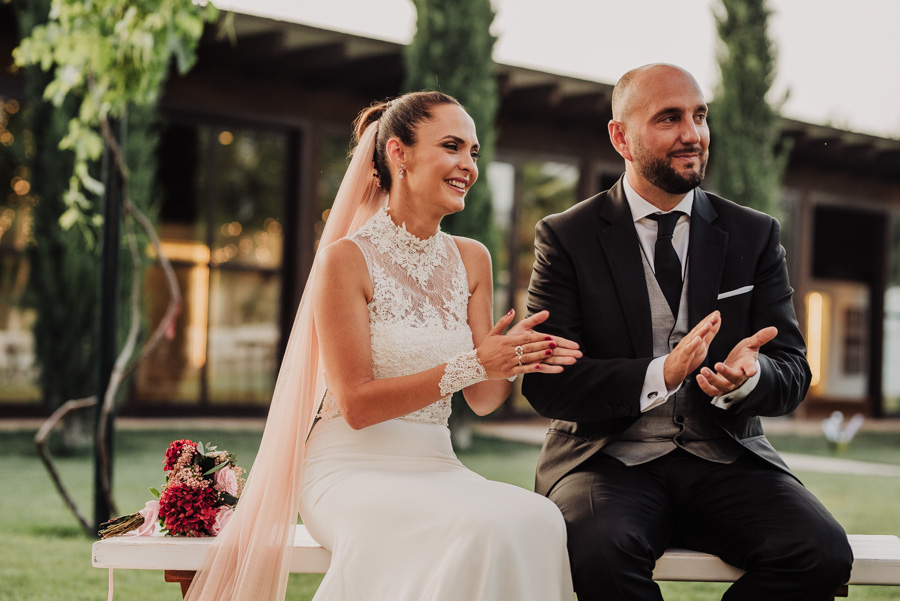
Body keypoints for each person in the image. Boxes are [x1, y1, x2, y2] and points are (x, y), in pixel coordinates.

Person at [182, 91, 578, 601]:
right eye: (452, 146)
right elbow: (357, 406)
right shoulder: (345, 261)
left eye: (474, 152)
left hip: (437, 464)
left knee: (540, 518)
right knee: (478, 530)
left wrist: (512, 358)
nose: (468, 165)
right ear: (398, 154)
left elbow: (483, 399)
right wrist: (473, 364)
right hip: (349, 469)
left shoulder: (472, 258)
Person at [522, 63, 853, 601]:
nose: (693, 133)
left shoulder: (754, 233)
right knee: (600, 549)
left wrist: (751, 378)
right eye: (669, 118)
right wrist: (659, 374)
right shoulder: (566, 237)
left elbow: (793, 369)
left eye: (700, 116)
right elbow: (547, 383)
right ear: (620, 137)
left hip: (725, 457)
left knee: (821, 552)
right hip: (606, 460)